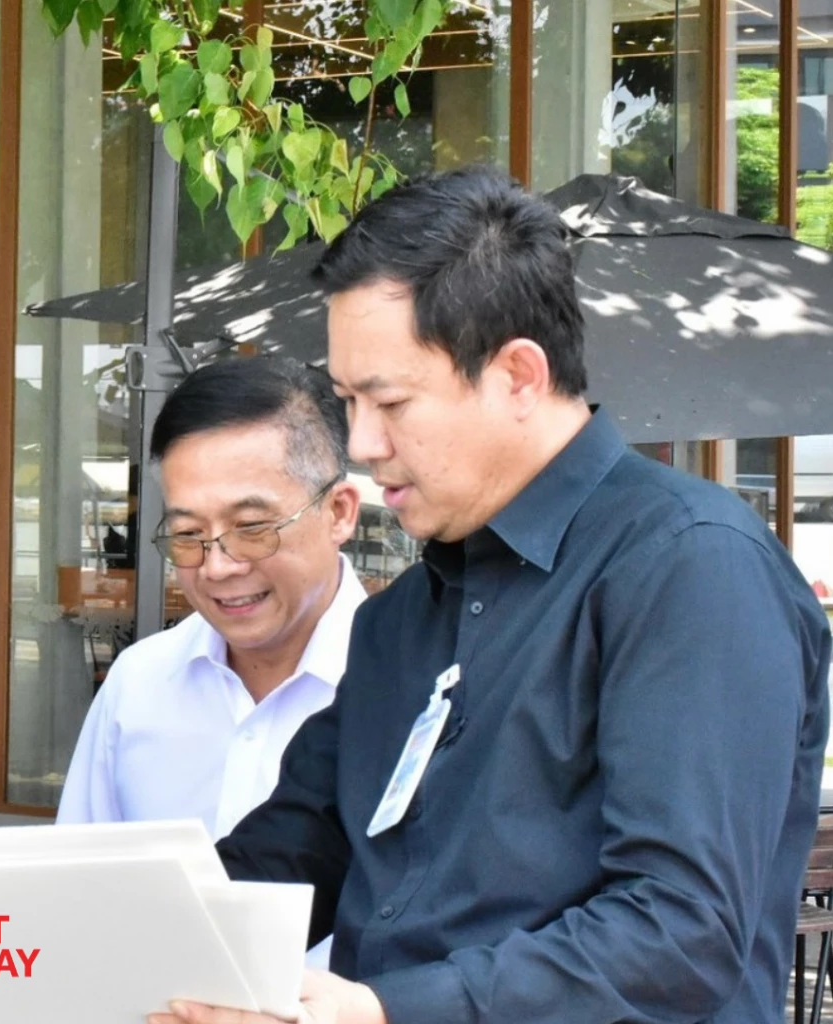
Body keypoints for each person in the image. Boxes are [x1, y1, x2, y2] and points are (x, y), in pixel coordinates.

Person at [155, 167, 831, 1024]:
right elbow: (293, 851)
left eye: (389, 401)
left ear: (518, 376)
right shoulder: (403, 617)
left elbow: (679, 932)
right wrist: (110, 928)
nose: (362, 444)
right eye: (348, 402)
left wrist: (388, 1010)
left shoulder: (690, 568)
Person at [57, 358, 363, 971]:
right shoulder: (140, 684)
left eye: (252, 528)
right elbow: (76, 896)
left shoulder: (418, 689)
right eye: (188, 534)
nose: (218, 566)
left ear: (339, 512)